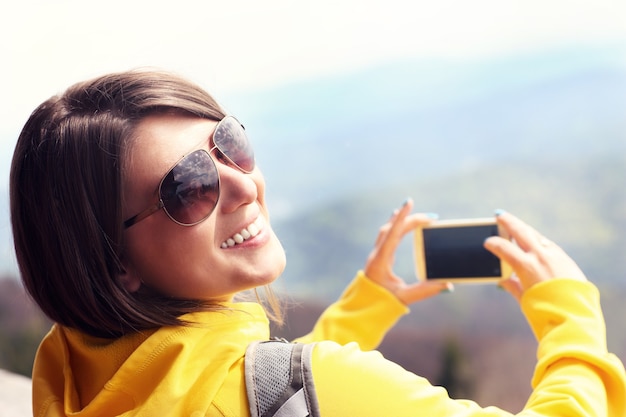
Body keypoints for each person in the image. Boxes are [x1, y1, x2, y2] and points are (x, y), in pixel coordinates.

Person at [10, 69, 625, 417]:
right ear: (114, 263)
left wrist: (367, 305)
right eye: (189, 186)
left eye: (229, 145)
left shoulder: (72, 374)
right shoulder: (338, 384)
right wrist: (571, 315)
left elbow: (247, 395)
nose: (243, 184)